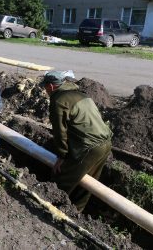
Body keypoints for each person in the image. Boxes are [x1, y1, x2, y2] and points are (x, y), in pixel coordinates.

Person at [39, 71, 113, 212]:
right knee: (87, 184)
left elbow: (59, 132)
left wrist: (62, 156)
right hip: (106, 142)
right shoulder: (82, 95)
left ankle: (50, 209)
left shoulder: (58, 100)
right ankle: (76, 212)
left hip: (89, 146)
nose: (46, 91)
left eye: (46, 87)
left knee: (61, 179)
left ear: (51, 86)